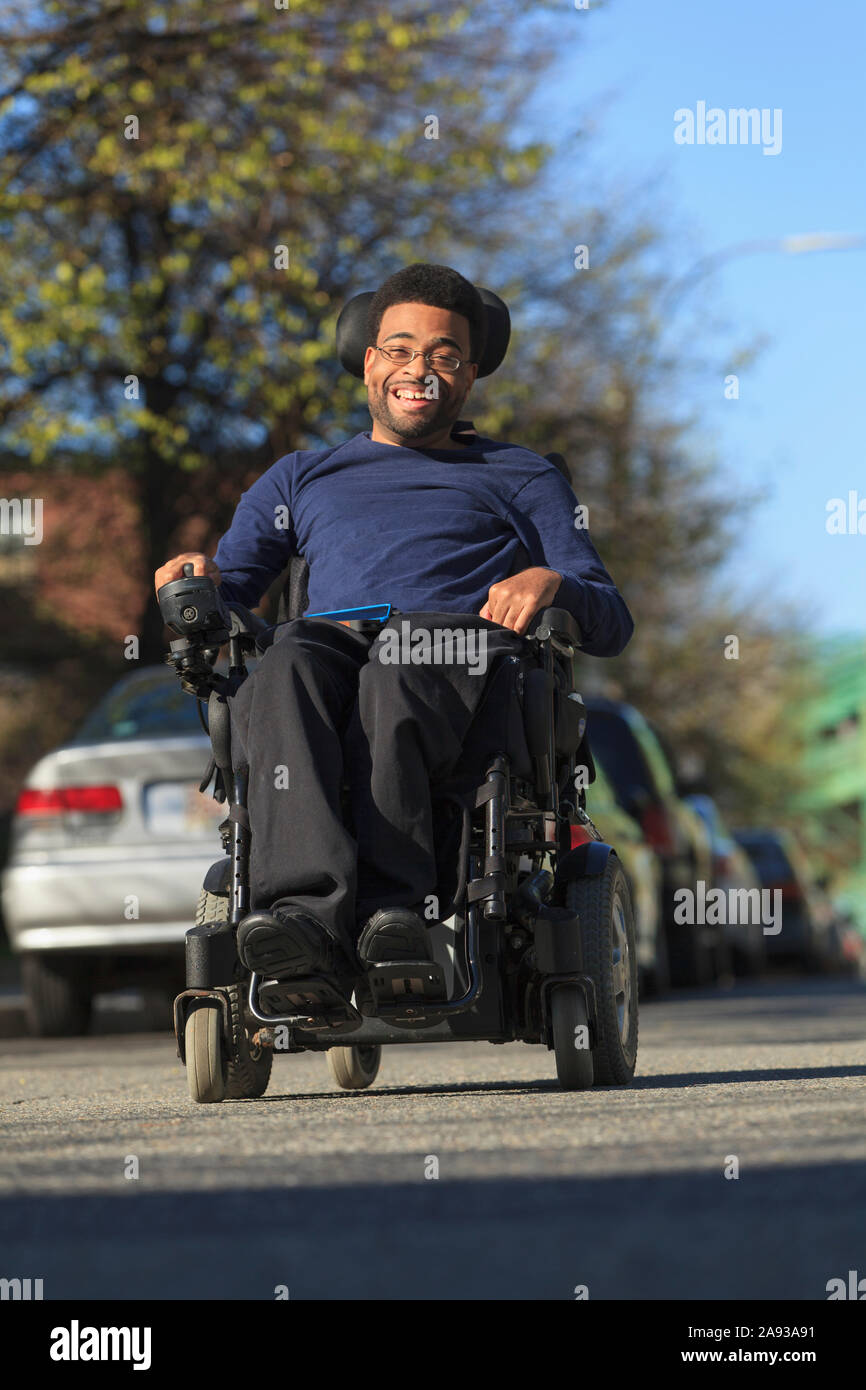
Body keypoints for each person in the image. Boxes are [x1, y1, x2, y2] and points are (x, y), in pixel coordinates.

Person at [153, 263, 633, 992]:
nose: (420, 370)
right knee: (284, 664)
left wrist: (552, 580)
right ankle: (304, 924)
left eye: (443, 355)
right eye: (401, 350)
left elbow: (609, 616)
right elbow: (233, 598)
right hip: (330, 646)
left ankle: (396, 915)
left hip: (455, 655)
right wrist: (193, 580)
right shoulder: (298, 478)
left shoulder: (520, 476)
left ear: (470, 374)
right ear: (369, 362)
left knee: (398, 668)